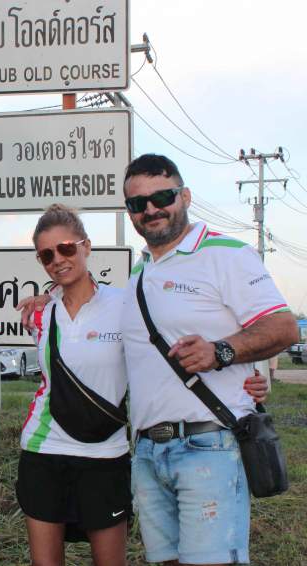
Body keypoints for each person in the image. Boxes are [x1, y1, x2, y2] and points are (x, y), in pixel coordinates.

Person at [122, 154, 298, 565]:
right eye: (138, 203)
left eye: (162, 196)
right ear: (130, 212)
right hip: (147, 452)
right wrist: (50, 296)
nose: (151, 209)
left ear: (184, 197)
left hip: (208, 446)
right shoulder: (138, 273)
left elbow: (284, 328)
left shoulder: (227, 254)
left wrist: (221, 352)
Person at [17, 204, 130, 566]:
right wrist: (48, 296)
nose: (58, 260)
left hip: (105, 454)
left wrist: (247, 378)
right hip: (43, 450)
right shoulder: (39, 313)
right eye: (46, 255)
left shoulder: (124, 304)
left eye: (66, 248)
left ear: (86, 246)